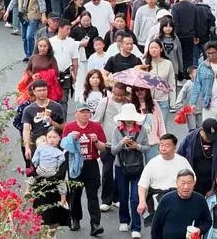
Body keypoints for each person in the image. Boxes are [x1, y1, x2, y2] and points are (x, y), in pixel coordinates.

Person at [63, 101, 108, 235]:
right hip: (75, 163)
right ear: (76, 113)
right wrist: (71, 138)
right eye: (82, 112)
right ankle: (75, 219)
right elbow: (64, 146)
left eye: (87, 112)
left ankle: (95, 224)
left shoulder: (96, 126)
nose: (85, 114)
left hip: (91, 164)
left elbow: (103, 148)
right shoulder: (69, 127)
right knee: (75, 194)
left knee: (92, 195)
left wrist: (96, 141)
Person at [138, 133, 193, 232]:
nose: (163, 148)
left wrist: (186, 193)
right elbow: (142, 185)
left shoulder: (182, 161)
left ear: (175, 148)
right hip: (157, 201)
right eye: (161, 145)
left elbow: (193, 180)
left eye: (167, 145)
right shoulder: (152, 163)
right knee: (158, 231)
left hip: (179, 200)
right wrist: (142, 201)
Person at [111, 103, 151, 238]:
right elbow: (113, 151)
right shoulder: (117, 130)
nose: (128, 120)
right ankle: (124, 220)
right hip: (120, 167)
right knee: (123, 196)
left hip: (137, 167)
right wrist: (122, 142)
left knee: (135, 198)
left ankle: (136, 227)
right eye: (126, 118)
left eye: (131, 118)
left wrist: (137, 146)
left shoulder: (142, 130)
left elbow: (147, 148)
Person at [150, 169, 212, 239]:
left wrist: (199, 230)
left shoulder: (200, 200)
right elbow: (156, 226)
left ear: (194, 183)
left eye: (189, 183)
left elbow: (208, 222)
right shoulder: (166, 199)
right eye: (183, 183)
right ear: (176, 183)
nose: (186, 186)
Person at [179, 119, 217, 195]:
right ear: (201, 131)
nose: (211, 139)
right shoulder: (190, 138)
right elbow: (180, 156)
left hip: (215, 182)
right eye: (208, 136)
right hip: (195, 181)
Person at [21, 79, 67, 162]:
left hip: (55, 144)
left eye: (44, 90)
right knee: (38, 168)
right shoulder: (28, 109)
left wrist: (52, 122)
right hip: (37, 144)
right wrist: (27, 147)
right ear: (34, 92)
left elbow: (63, 127)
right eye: (39, 91)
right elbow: (26, 129)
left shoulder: (56, 106)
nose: (42, 93)